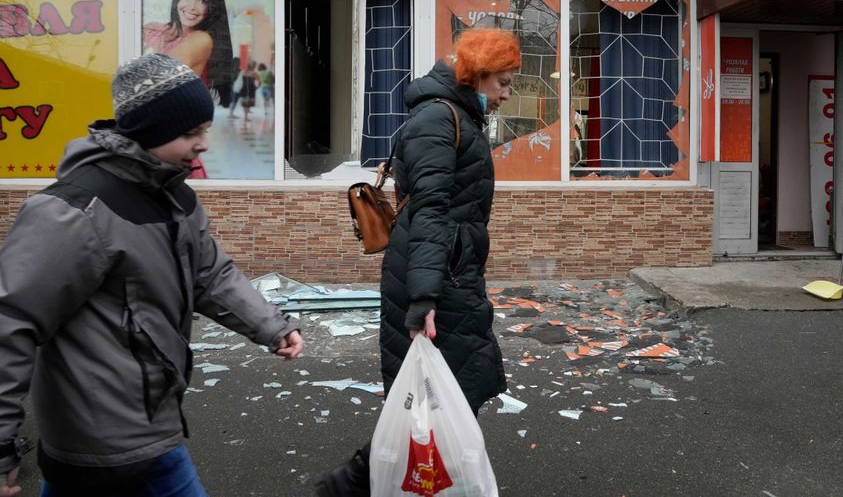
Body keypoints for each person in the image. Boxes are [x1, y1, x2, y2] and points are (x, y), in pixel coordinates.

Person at [0, 53, 305, 497]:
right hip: (95, 442)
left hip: (155, 424)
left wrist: (271, 326)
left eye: (205, 128)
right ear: (147, 132)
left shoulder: (175, 197)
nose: (204, 144)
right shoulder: (73, 211)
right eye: (189, 133)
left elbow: (210, 275)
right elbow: (10, 322)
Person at [314, 28, 520, 497]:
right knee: (441, 392)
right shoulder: (439, 119)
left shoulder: (457, 116)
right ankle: (356, 481)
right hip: (434, 274)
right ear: (477, 75)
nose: (507, 94)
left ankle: (394, 479)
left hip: (448, 269)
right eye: (503, 83)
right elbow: (430, 208)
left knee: (448, 389)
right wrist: (424, 296)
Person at [143, 0, 236, 108]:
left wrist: (156, 47)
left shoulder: (201, 39)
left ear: (212, 7)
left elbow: (159, 82)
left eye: (203, 1)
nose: (192, 7)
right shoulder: (157, 30)